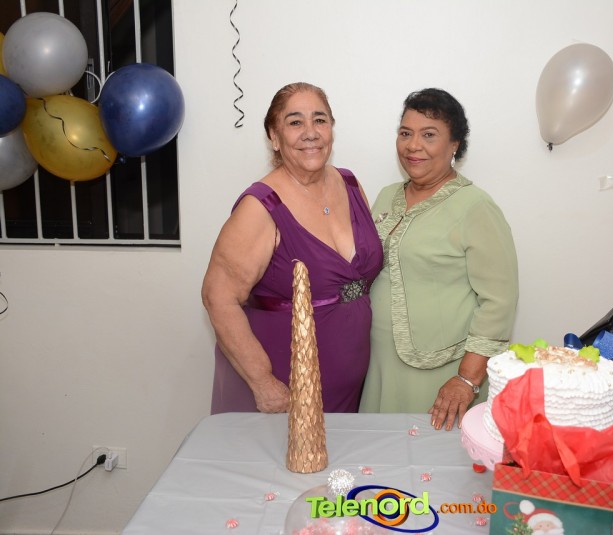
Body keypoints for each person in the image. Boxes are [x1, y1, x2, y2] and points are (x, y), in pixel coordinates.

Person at [202, 82, 383, 414]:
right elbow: (219, 298)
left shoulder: (350, 184)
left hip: (352, 379)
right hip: (286, 384)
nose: (310, 133)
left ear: (331, 129)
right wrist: (262, 382)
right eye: (295, 122)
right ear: (275, 136)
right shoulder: (260, 207)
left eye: (320, 120)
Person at [360, 88, 518, 430]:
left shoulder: (475, 207)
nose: (413, 145)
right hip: (380, 364)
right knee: (381, 452)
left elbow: (499, 302)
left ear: (454, 144)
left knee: (431, 456)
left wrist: (467, 379)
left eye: (429, 135)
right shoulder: (387, 196)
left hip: (443, 372)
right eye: (405, 133)